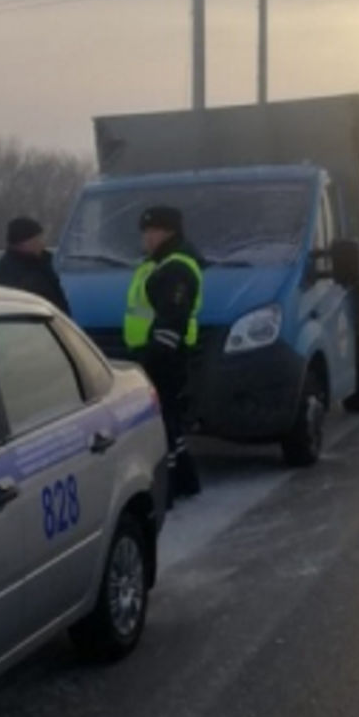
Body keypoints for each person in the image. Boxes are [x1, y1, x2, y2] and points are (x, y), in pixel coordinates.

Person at [125, 204, 204, 500]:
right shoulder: (161, 262)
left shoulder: (176, 267)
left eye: (151, 231)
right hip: (157, 353)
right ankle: (186, 479)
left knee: (161, 425)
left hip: (163, 356)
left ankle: (167, 487)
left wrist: (155, 356)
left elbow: (172, 316)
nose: (146, 237)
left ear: (166, 232)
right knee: (169, 420)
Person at [0, 216, 71, 313]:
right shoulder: (5, 274)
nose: (42, 244)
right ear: (23, 243)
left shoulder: (43, 263)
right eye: (37, 240)